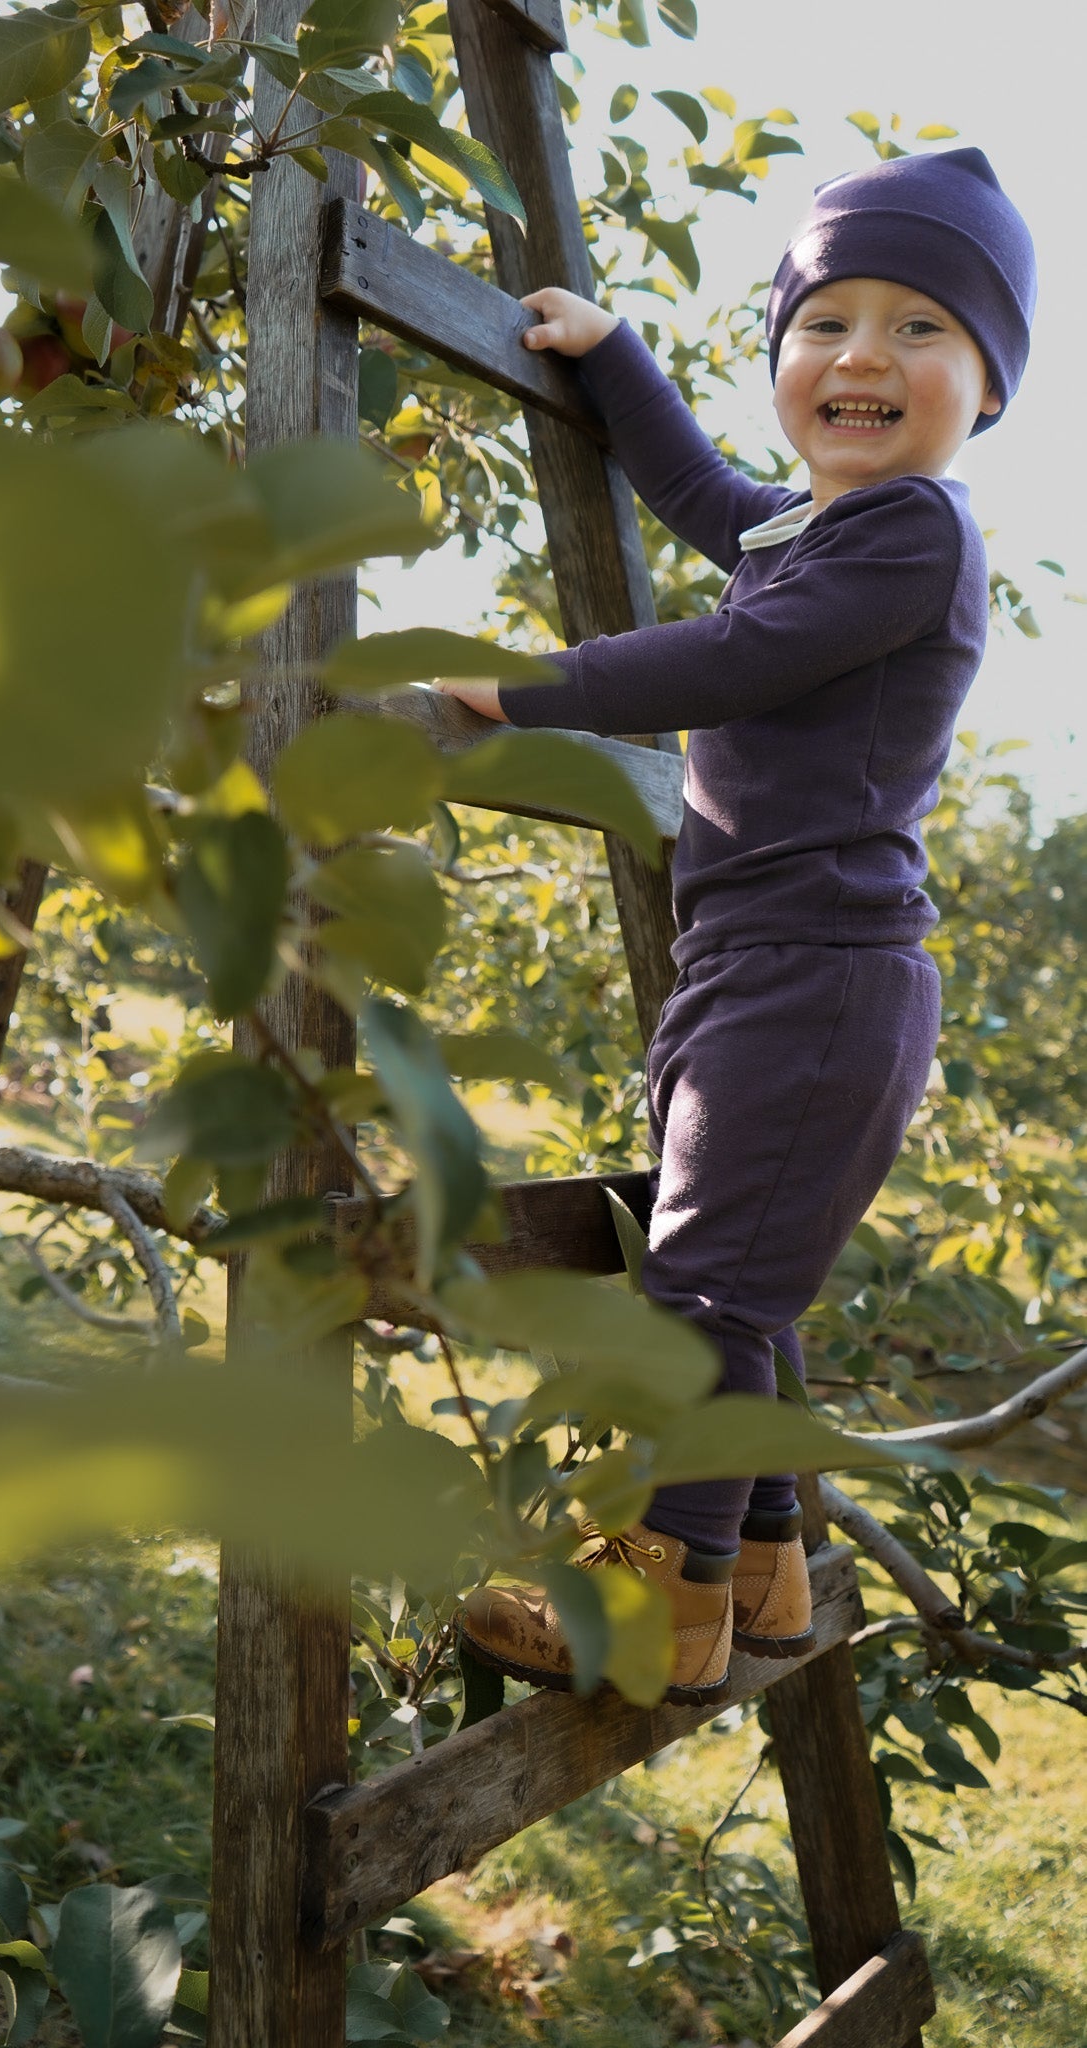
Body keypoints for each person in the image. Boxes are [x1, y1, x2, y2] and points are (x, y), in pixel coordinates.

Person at [442, 148, 1037, 1705]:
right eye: (823, 320)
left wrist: (513, 681)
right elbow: (707, 500)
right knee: (739, 1292)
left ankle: (644, 1610)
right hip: (758, 966)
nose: (859, 356)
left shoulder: (913, 537)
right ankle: (759, 1582)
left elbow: (724, 659)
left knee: (701, 1297)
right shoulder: (813, 527)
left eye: (920, 329)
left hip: (822, 977)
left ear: (985, 388)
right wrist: (617, 356)